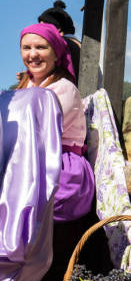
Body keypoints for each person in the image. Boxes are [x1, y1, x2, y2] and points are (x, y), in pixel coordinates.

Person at [17, 23, 94, 222]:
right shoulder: (25, 87)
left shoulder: (64, 89)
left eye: (41, 47)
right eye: (27, 48)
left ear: (56, 53)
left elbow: (39, 135)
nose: (32, 54)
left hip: (61, 169)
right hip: (30, 161)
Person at [38, 0, 81, 84]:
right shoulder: (79, 44)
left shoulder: (62, 44)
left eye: (43, 27)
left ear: (57, 28)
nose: (39, 31)